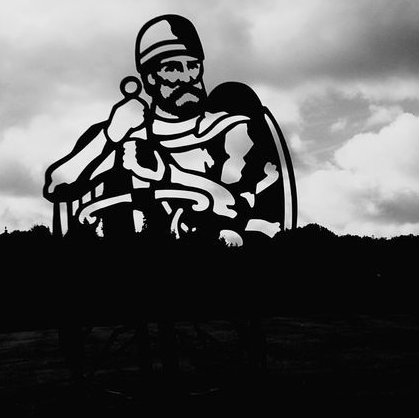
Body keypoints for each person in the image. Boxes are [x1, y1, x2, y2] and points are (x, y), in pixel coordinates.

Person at [44, 15, 295, 246]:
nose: (187, 78)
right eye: (173, 69)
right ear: (150, 78)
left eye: (193, 66)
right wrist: (108, 136)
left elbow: (244, 212)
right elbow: (59, 188)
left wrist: (167, 174)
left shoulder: (232, 131)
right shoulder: (120, 138)